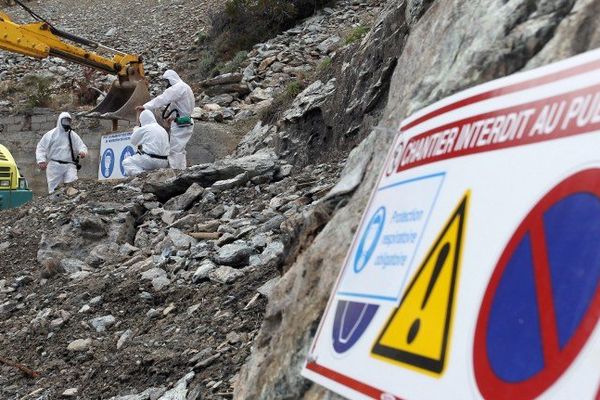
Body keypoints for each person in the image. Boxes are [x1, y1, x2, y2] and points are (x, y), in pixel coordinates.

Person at [137, 69, 194, 170]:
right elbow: (181, 108)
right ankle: (182, 170)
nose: (166, 85)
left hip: (181, 123)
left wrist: (146, 106)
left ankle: (176, 172)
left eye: (167, 82)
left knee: (175, 150)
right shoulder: (185, 87)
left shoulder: (178, 87)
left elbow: (163, 99)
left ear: (171, 79)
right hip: (185, 121)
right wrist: (172, 117)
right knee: (180, 149)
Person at [36, 112, 87, 193]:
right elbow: (41, 147)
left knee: (72, 186)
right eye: (64, 121)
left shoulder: (72, 135)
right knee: (54, 189)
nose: (66, 123)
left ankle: (71, 204)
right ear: (60, 121)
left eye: (68, 121)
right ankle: (54, 205)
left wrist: (82, 152)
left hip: (70, 165)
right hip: (55, 166)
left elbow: (81, 145)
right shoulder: (51, 134)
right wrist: (41, 160)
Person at [122, 110, 170, 176]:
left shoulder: (145, 128)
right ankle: (149, 177)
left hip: (150, 160)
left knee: (127, 162)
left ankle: (143, 176)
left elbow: (133, 141)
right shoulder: (162, 129)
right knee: (145, 164)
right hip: (164, 162)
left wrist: (136, 129)